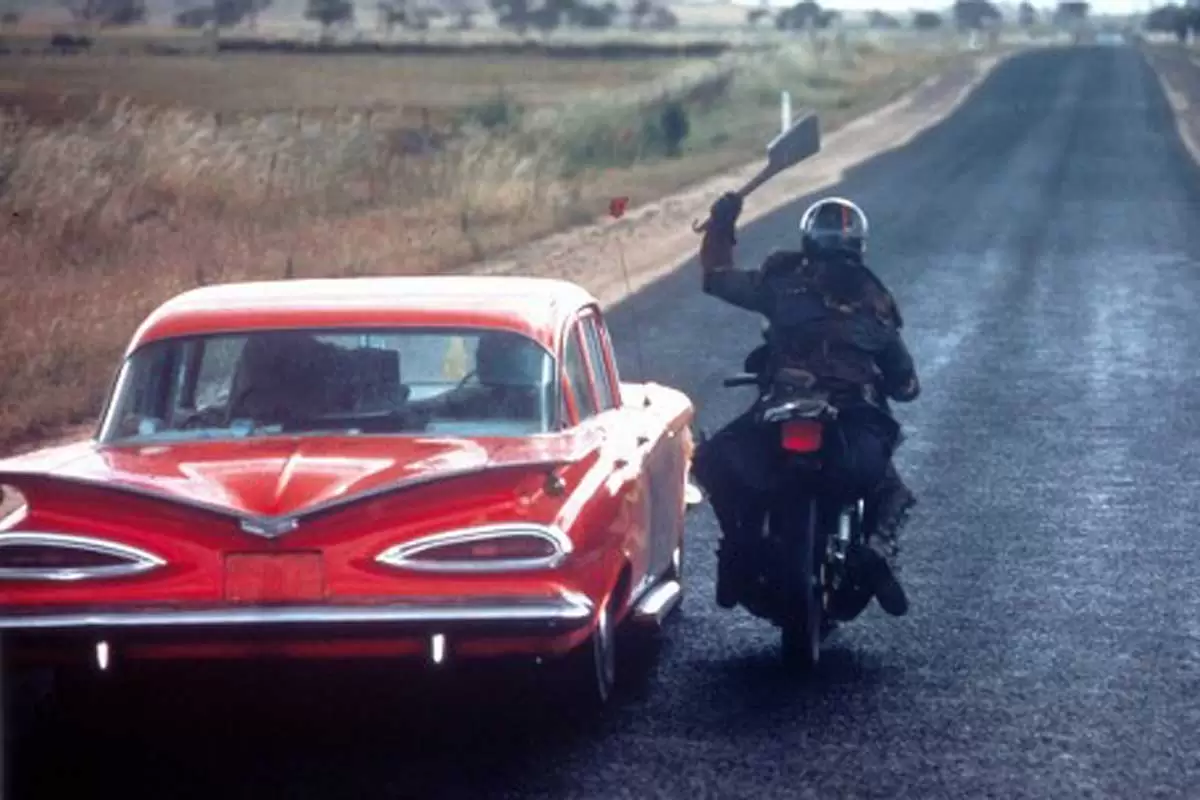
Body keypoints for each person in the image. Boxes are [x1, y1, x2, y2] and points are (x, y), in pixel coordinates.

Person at [690, 191, 920, 617]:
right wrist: (895, 383)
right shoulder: (878, 299)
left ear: (809, 239)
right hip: (854, 414)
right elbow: (905, 383)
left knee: (709, 459)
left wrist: (722, 224)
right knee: (892, 489)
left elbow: (716, 276)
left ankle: (737, 547)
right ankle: (878, 550)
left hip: (784, 402)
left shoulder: (781, 281)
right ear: (859, 245)